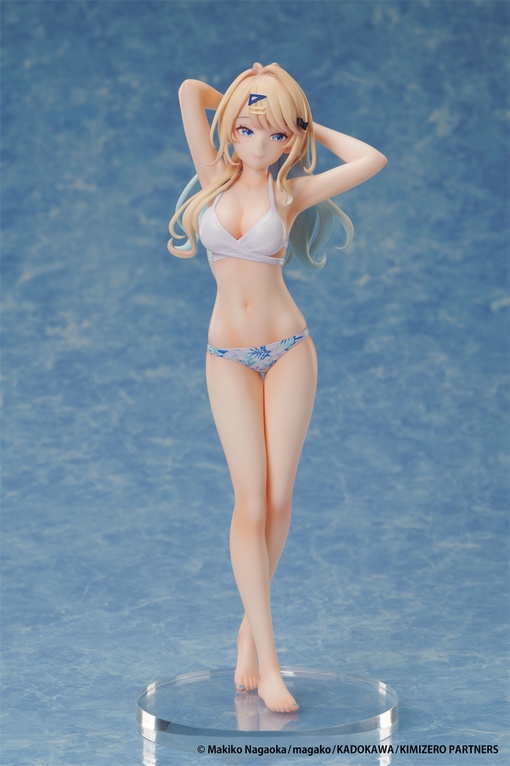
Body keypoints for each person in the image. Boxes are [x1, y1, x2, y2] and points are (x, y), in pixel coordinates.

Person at [168, 62, 387, 713]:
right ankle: (265, 661)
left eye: (276, 134)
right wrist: (247, 94)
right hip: (227, 357)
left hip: (289, 350)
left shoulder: (290, 194)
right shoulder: (212, 175)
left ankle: (249, 632)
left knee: (279, 497)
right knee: (248, 500)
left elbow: (371, 158)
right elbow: (189, 92)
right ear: (231, 129)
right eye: (246, 129)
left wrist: (304, 120)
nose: (259, 144)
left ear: (291, 139)